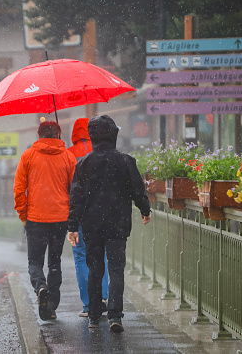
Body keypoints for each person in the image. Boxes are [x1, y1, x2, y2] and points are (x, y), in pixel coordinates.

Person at [67, 115, 151, 333]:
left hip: (92, 225)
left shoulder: (83, 163)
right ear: (113, 135)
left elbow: (76, 196)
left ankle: (94, 316)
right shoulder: (125, 161)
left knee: (95, 270)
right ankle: (115, 316)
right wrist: (145, 210)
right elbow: (137, 190)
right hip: (117, 224)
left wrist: (72, 226)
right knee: (116, 270)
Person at [14, 121, 77, 321]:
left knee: (35, 261)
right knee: (55, 261)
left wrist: (23, 215)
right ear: (58, 134)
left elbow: (19, 189)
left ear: (39, 135)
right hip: (60, 217)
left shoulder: (28, 156)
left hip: (35, 218)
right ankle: (51, 306)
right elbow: (74, 190)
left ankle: (40, 286)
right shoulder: (68, 157)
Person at [67, 118, 109, 317]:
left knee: (82, 257)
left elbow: (69, 186)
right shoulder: (102, 151)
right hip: (102, 211)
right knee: (102, 254)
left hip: (79, 212)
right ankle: (102, 296)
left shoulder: (69, 154)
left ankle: (88, 304)